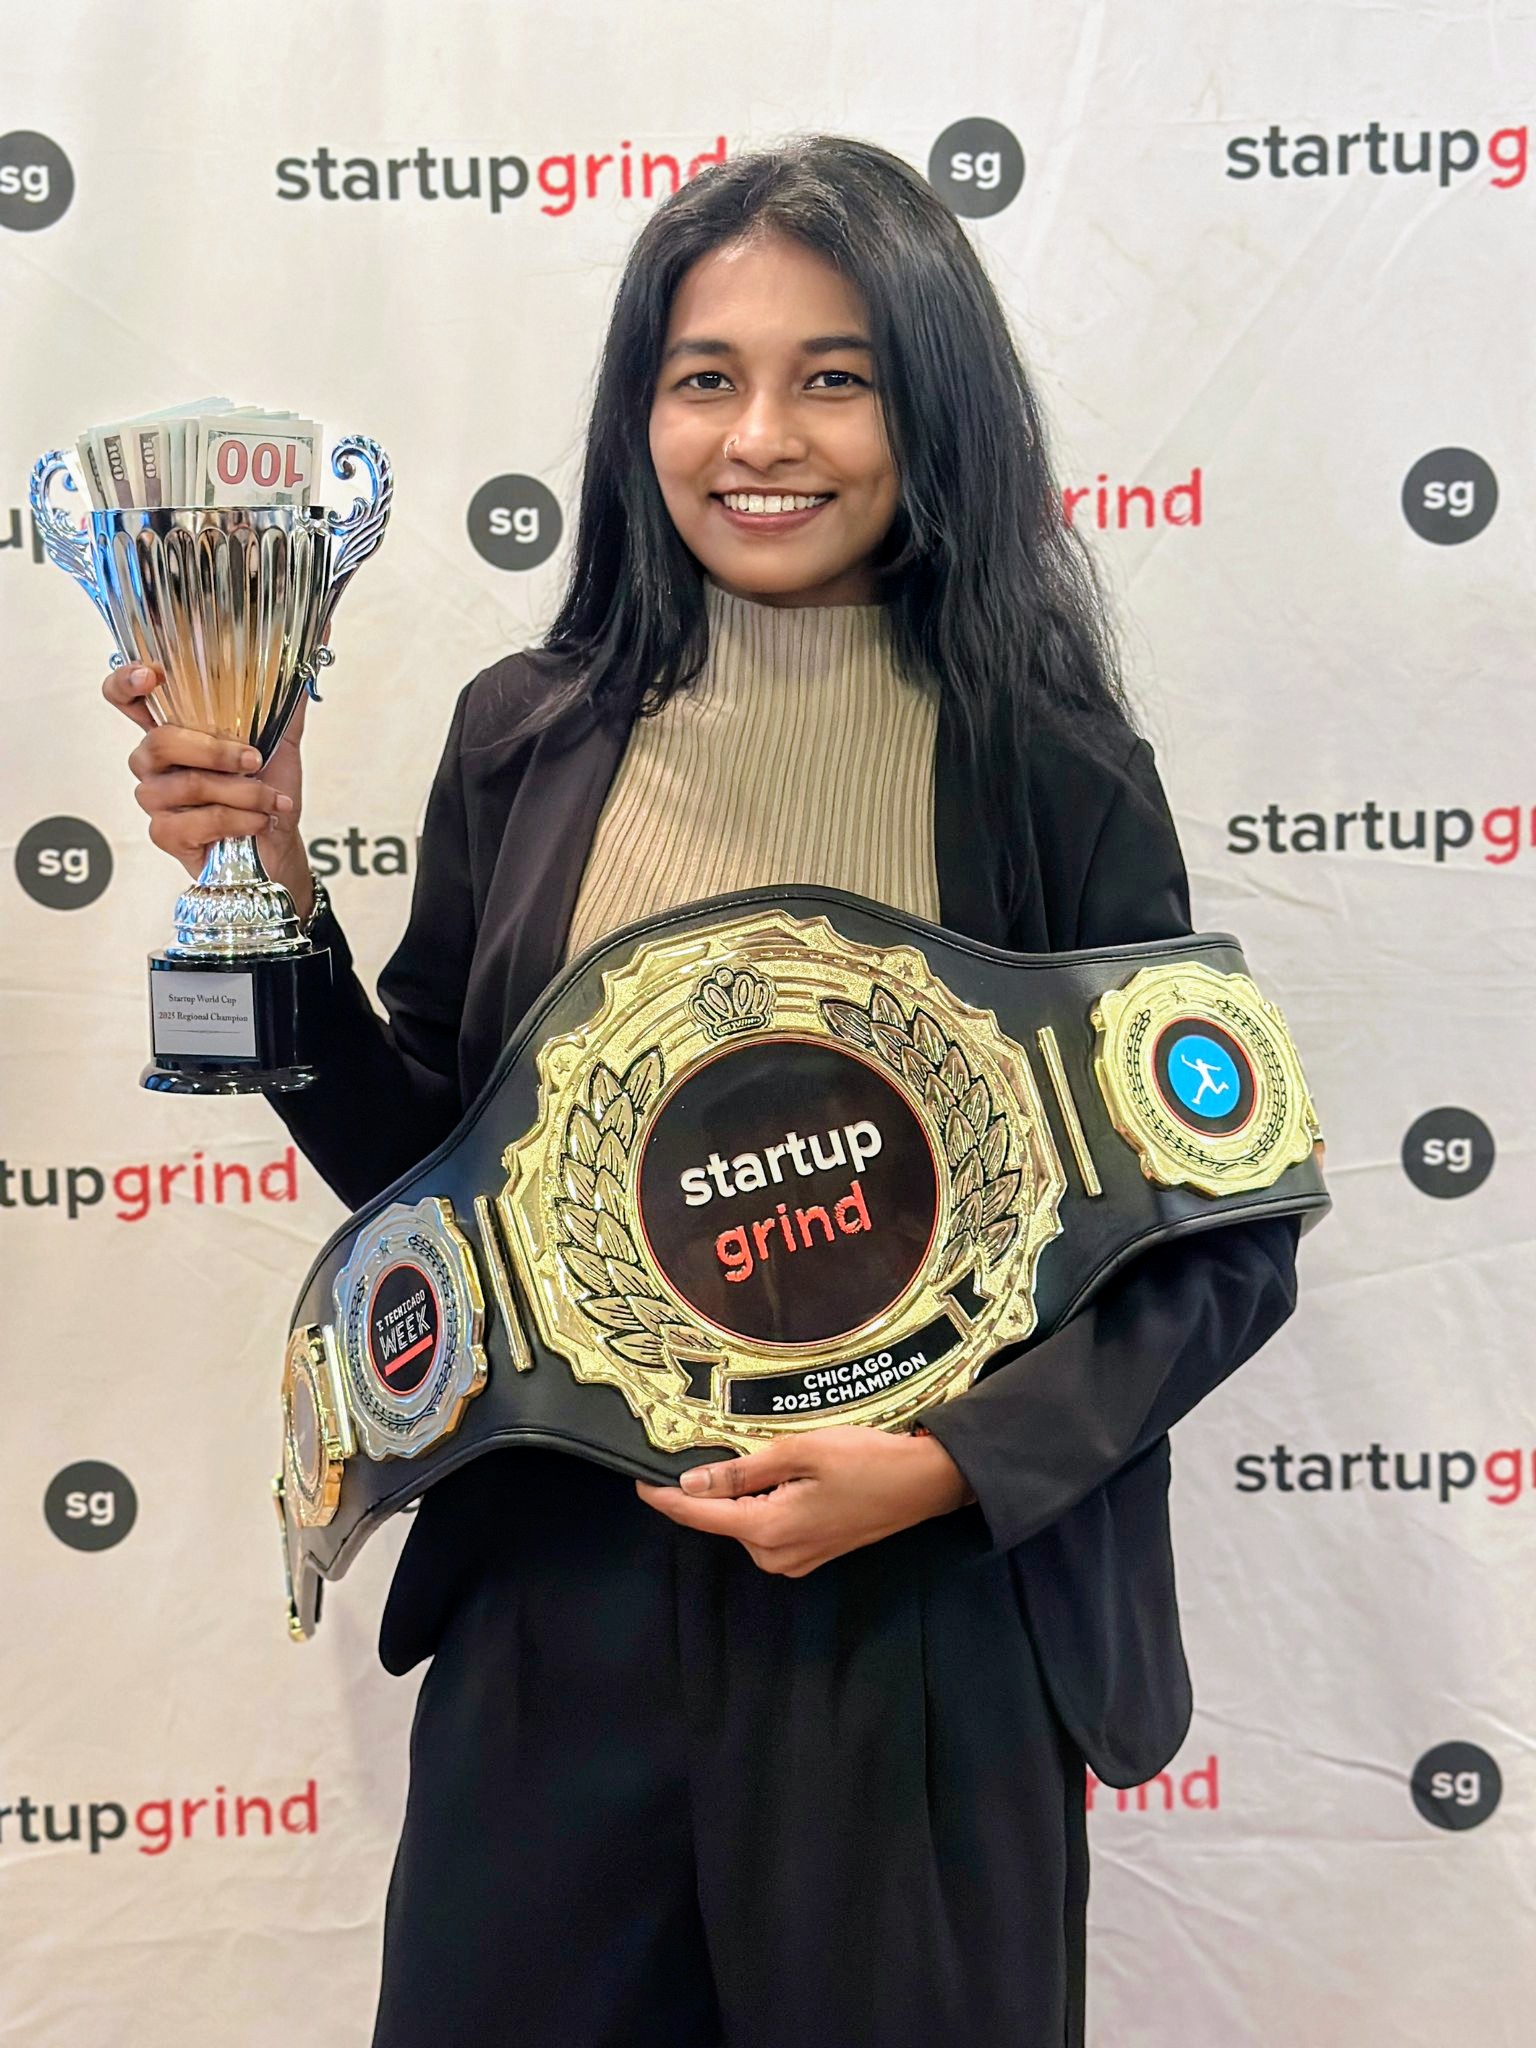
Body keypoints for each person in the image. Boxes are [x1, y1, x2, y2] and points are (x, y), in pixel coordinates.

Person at [105, 135, 1302, 2048]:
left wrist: (938, 1473)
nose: (765, 434)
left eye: (837, 375)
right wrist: (262, 888)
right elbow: (428, 1176)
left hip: (916, 1634)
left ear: (934, 412)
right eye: (704, 375)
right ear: (636, 412)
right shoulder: (529, 731)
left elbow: (1220, 1238)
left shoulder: (1048, 761)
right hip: (559, 1609)